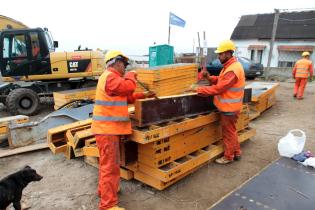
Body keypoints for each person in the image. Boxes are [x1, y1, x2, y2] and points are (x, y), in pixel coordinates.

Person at [91, 50, 155, 210]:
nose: (125, 68)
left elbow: (126, 97)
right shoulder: (111, 77)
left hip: (107, 130)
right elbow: (128, 88)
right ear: (116, 62)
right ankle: (108, 205)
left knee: (107, 165)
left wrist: (145, 95)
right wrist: (132, 76)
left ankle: (105, 191)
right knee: (110, 167)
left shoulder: (111, 79)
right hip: (107, 131)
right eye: (124, 65)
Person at [190, 40, 245, 164]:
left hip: (229, 108)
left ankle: (228, 157)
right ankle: (236, 152)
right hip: (230, 106)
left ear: (227, 53)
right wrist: (209, 78)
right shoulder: (229, 67)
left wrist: (198, 90)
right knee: (232, 131)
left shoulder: (232, 70)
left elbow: (219, 88)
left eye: (220, 54)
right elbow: (221, 80)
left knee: (228, 133)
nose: (218, 56)